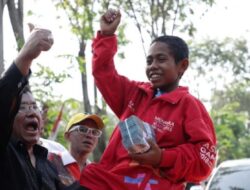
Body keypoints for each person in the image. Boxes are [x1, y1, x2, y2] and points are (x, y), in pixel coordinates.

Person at [79, 9, 217, 190]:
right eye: (149, 61)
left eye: (161, 59)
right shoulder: (134, 94)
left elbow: (204, 161)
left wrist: (161, 157)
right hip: (108, 183)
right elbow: (103, 73)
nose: (153, 66)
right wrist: (106, 35)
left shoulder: (190, 106)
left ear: (182, 66)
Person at [0, 27, 83, 190]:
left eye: (34, 107)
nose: (31, 111)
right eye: (22, 108)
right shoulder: (5, 150)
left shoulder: (51, 162)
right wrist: (25, 57)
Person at [41, 113, 104, 187]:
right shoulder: (51, 159)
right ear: (67, 136)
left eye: (95, 132)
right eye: (82, 129)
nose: (89, 135)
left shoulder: (95, 172)